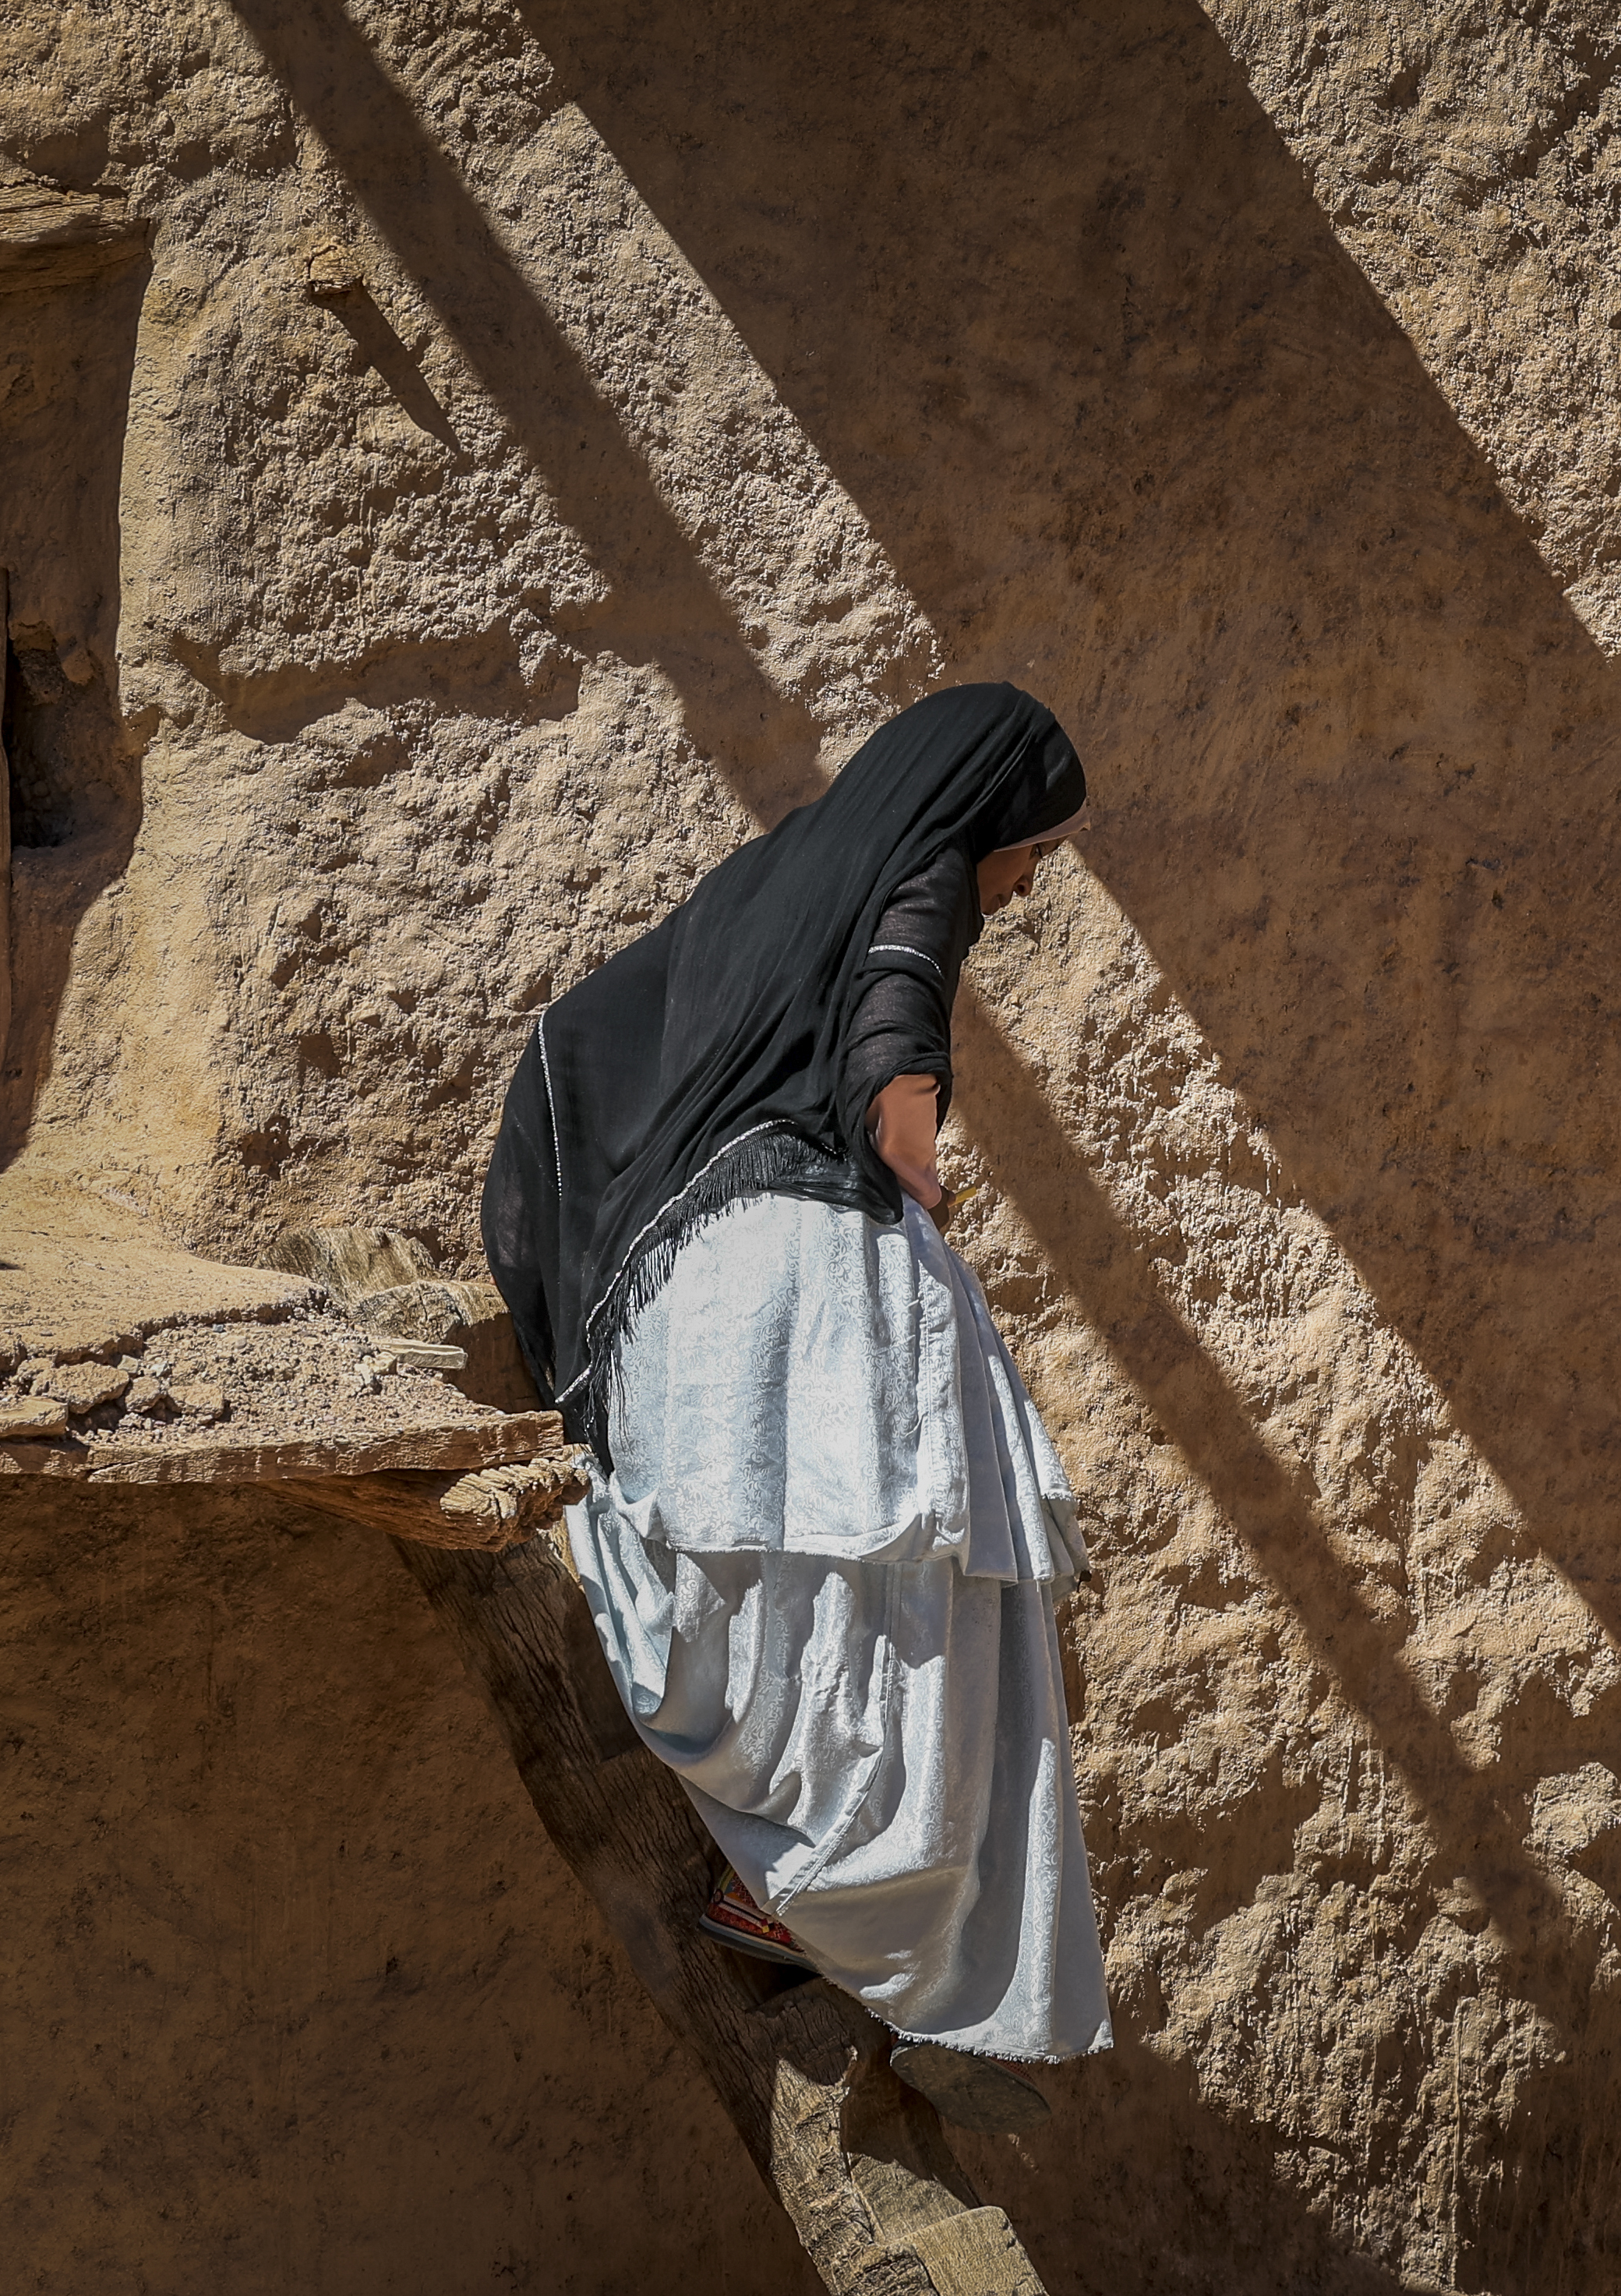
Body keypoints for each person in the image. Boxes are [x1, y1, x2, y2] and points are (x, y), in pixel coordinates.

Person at [481, 683, 1110, 2132]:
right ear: (987, 812)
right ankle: (846, 1913)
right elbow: (896, 1025)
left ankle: (791, 1886)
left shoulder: (774, 881)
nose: (1031, 880)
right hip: (802, 1283)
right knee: (926, 1612)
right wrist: (924, 1181)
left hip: (692, 1305)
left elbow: (574, 1045)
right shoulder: (926, 874)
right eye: (1040, 846)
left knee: (802, 1596)